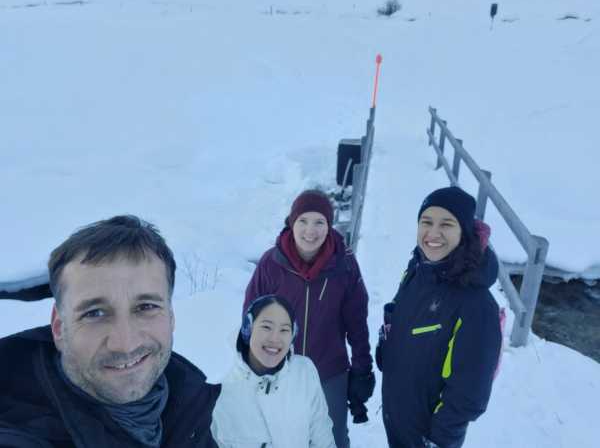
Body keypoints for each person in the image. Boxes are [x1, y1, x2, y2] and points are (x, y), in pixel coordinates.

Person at [0, 215, 219, 448]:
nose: (126, 344)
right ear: (59, 328)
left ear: (171, 316)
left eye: (146, 307)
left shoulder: (189, 404)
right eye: (94, 313)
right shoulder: (20, 429)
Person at [244, 189, 374, 448]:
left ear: (329, 224)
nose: (310, 231)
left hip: (329, 373)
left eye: (319, 222)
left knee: (332, 440)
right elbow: (250, 318)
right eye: (303, 221)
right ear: (292, 223)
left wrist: (362, 369)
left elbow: (357, 322)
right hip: (280, 371)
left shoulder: (344, 265)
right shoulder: (271, 263)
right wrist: (251, 367)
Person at [377, 186, 503, 448]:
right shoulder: (418, 269)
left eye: (446, 224)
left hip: (428, 436)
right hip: (399, 417)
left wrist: (438, 441)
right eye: (426, 222)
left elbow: (470, 393)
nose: (433, 233)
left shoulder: (476, 304)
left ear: (464, 232)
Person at [211, 294, 335, 447]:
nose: (275, 338)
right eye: (266, 327)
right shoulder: (220, 391)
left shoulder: (304, 373)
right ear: (247, 328)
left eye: (284, 330)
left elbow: (322, 438)